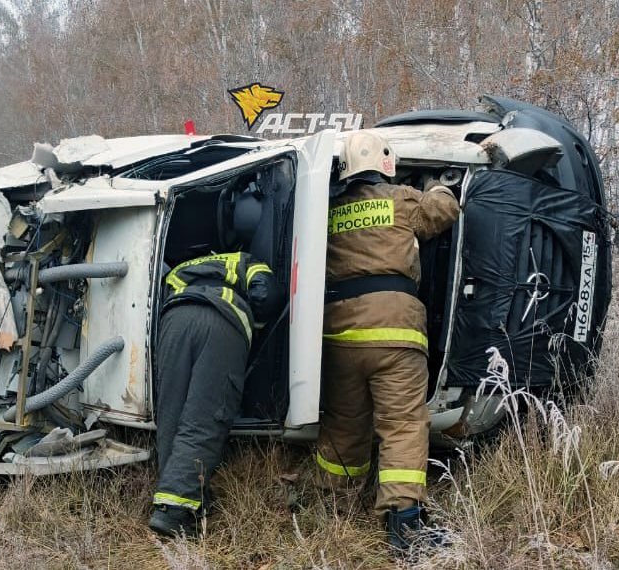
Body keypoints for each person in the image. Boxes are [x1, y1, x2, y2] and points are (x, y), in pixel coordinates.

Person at [317, 130, 460, 551]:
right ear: (385, 164)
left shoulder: (328, 210)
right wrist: (434, 182)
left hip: (340, 335)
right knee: (400, 425)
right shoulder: (398, 199)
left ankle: (336, 506)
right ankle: (405, 526)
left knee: (344, 425)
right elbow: (444, 210)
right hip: (395, 332)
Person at [149, 251, 283, 537]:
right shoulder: (245, 259)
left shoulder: (182, 266)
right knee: (205, 416)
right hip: (222, 319)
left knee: (170, 413)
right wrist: (255, 329)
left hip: (173, 321)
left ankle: (178, 497)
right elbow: (266, 294)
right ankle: (175, 513)